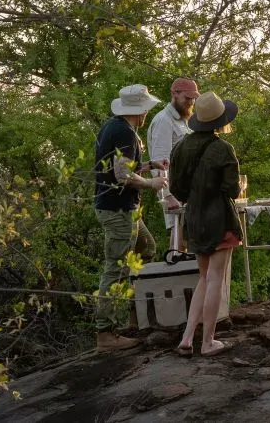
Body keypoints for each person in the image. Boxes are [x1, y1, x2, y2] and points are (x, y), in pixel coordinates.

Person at [93, 84, 168, 352]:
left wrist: (150, 165)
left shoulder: (114, 126)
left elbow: (120, 167)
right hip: (118, 209)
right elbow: (122, 176)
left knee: (146, 248)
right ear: (140, 109)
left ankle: (135, 314)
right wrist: (152, 184)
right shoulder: (124, 131)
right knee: (116, 267)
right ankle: (106, 333)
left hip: (122, 208)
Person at [170, 92, 243, 357]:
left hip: (194, 218)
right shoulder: (223, 149)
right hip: (218, 219)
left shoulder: (180, 147)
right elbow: (232, 190)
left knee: (203, 278)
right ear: (221, 120)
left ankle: (187, 338)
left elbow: (177, 190)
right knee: (215, 280)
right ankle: (208, 341)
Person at [147, 77, 199, 246]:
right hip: (174, 191)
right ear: (175, 94)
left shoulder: (186, 120)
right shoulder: (164, 121)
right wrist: (167, 196)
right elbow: (158, 164)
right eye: (187, 97)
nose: (191, 102)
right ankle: (177, 270)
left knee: (188, 237)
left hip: (188, 190)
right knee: (179, 239)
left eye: (193, 98)